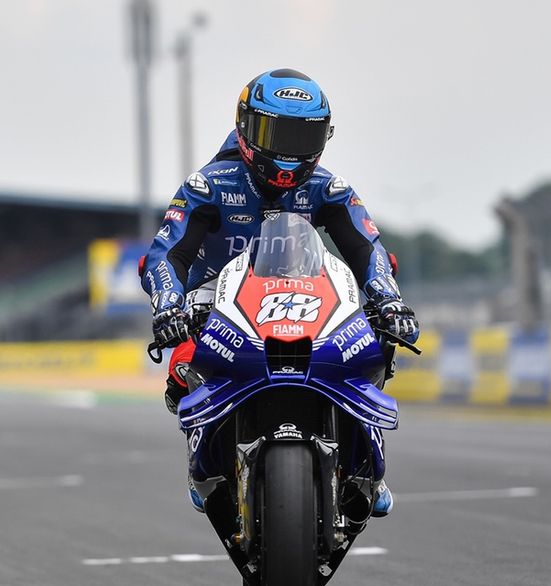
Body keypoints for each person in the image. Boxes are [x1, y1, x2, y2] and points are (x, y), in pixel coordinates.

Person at [139, 68, 419, 517]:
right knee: (181, 364)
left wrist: (388, 300)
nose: (289, 153)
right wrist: (170, 304)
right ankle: (206, 465)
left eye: (302, 136)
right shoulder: (208, 185)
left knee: (377, 342)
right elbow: (163, 255)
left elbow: (369, 249)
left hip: (306, 288)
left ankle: (367, 467)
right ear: (246, 127)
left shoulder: (330, 188)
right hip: (217, 298)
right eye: (276, 132)